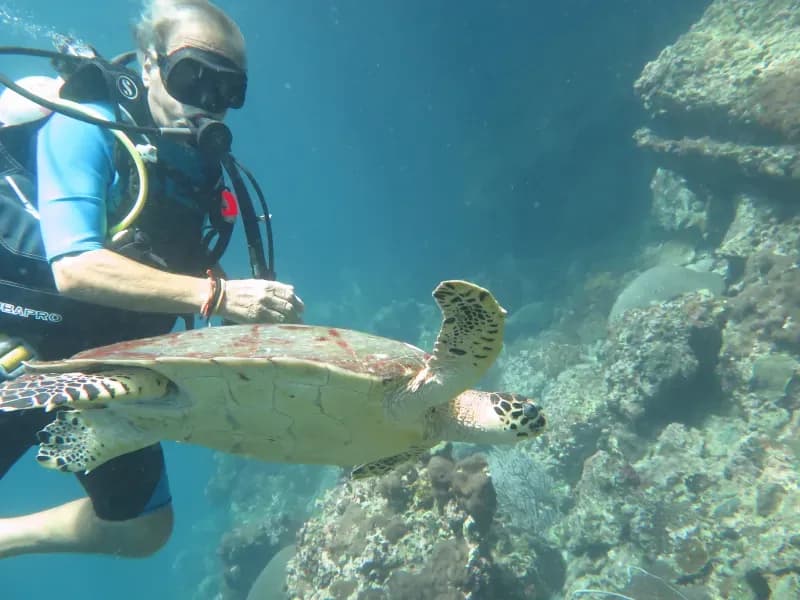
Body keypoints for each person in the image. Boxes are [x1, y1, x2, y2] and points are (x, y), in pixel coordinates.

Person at [0, 0, 304, 559]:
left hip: (99, 364)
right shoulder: (86, 123)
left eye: (226, 91)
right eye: (193, 78)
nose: (206, 105)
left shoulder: (197, 166)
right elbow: (75, 267)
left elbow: (164, 258)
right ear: (149, 65)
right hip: (20, 346)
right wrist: (218, 295)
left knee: (142, 528)